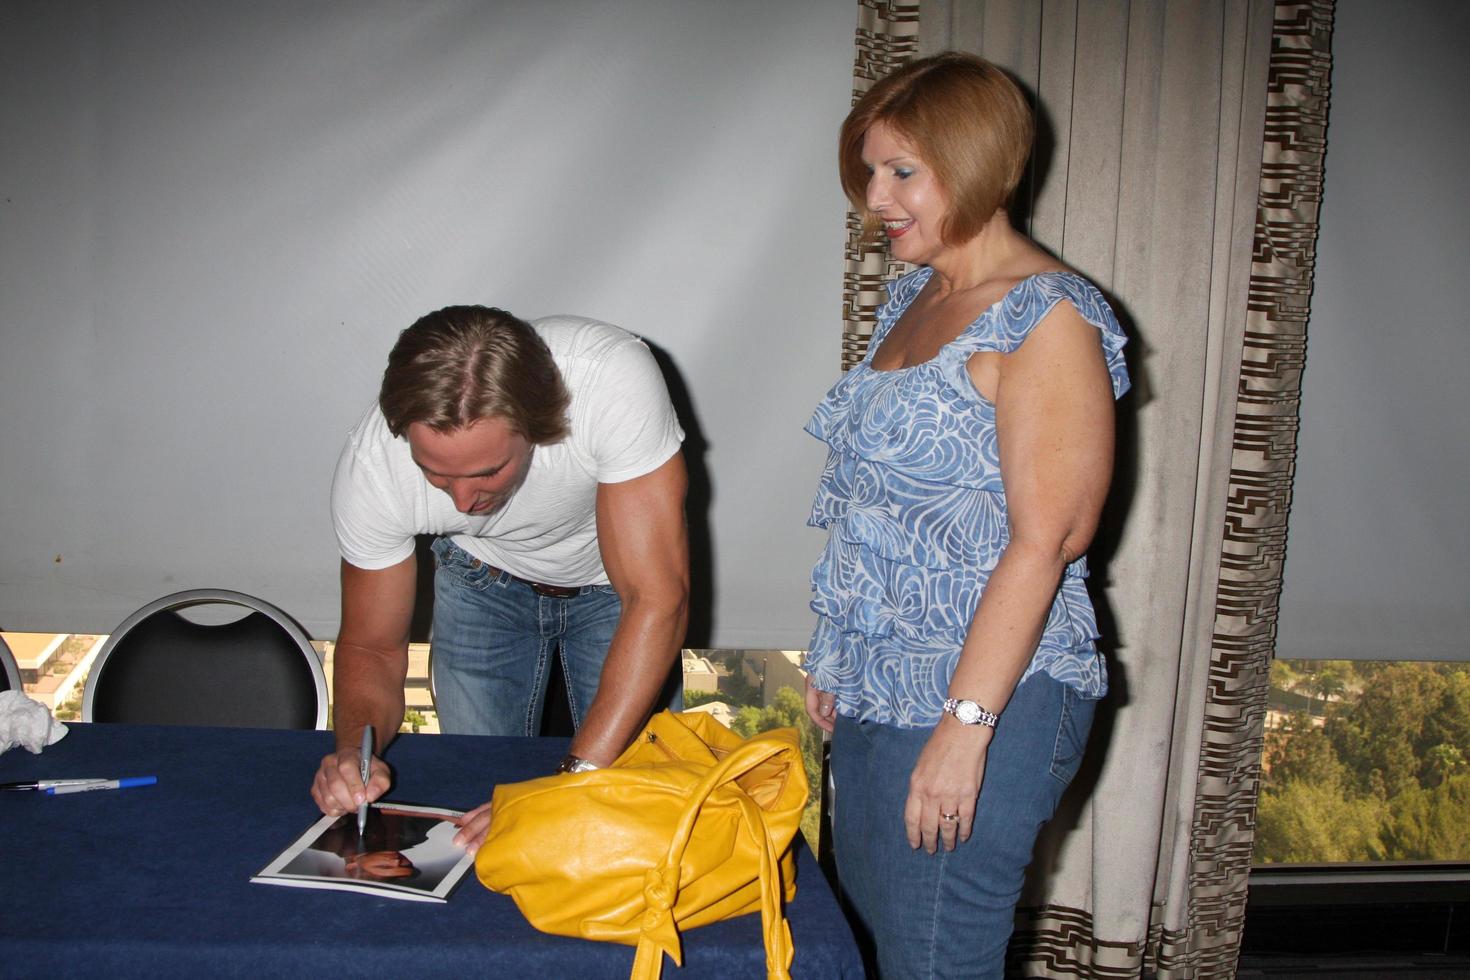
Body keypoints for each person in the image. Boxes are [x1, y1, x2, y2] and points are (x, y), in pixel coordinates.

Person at [801, 52, 1130, 978]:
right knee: (868, 942)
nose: (876, 196)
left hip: (994, 689)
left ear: (983, 163)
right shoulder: (916, 296)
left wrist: (966, 727)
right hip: (883, 678)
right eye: (870, 171)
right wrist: (842, 648)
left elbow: (1049, 540)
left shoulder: (1049, 316)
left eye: (903, 171)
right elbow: (874, 499)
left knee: (933, 957)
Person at [311, 306, 689, 850]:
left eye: (488, 472)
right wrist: (354, 751)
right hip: (480, 585)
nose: (464, 503)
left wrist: (572, 785)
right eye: (435, 473)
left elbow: (655, 599)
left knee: (638, 805)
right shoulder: (374, 469)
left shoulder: (608, 377)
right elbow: (372, 648)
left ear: (539, 426)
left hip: (618, 592)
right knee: (480, 812)